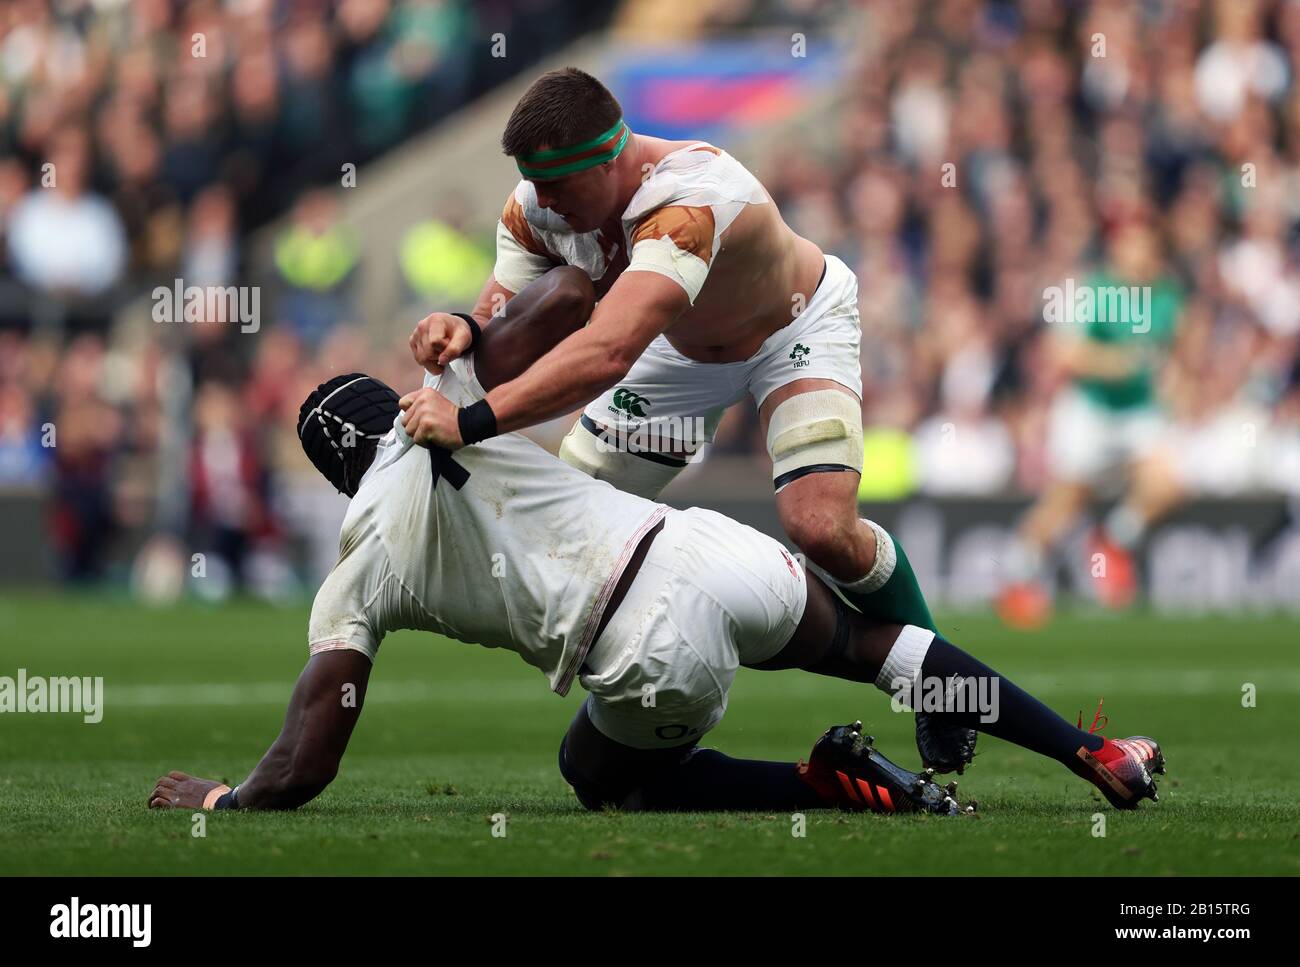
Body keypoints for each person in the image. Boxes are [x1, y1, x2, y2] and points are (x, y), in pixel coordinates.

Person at [149, 268, 1165, 816]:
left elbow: (307, 759)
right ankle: (1092, 751)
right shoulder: (448, 400)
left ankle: (835, 789)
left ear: (332, 474)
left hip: (640, 646)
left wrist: (228, 796)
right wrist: (462, 325)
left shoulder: (360, 559)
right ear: (390, 400)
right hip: (706, 548)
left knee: (598, 775)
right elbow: (564, 299)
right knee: (874, 648)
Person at [401, 66, 962, 768]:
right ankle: (644, 708)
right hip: (682, 352)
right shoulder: (537, 204)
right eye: (534, 185)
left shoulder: (689, 199)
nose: (542, 202)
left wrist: (473, 422)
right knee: (572, 516)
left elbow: (607, 351)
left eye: (559, 186)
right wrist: (458, 326)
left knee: (820, 526)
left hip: (794, 330)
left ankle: (940, 682)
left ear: (612, 157)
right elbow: (502, 315)